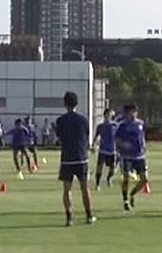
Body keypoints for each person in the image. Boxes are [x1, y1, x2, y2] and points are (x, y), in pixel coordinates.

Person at [56, 91, 96, 227]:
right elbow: (86, 136)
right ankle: (89, 215)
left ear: (65, 103)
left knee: (67, 189)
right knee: (85, 188)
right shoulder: (84, 120)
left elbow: (60, 138)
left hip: (67, 158)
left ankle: (69, 218)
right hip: (81, 158)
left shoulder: (60, 121)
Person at [115, 104, 148, 211]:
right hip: (126, 156)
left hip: (139, 155)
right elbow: (116, 139)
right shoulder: (122, 125)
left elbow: (141, 135)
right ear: (126, 114)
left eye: (135, 112)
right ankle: (125, 200)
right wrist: (122, 144)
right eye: (131, 112)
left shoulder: (140, 123)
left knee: (144, 179)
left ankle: (132, 194)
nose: (133, 114)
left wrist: (143, 144)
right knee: (126, 178)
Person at [93, 108, 118, 190]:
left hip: (112, 150)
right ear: (105, 115)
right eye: (107, 115)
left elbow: (119, 136)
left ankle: (109, 178)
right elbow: (96, 136)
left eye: (110, 115)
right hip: (103, 150)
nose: (108, 117)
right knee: (99, 167)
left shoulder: (115, 126)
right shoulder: (100, 126)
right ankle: (97, 184)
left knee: (113, 168)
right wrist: (94, 145)